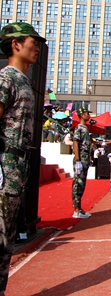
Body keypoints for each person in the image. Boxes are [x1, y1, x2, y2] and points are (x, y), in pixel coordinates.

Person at [0, 22, 45, 295]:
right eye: (33, 41)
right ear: (16, 44)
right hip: (5, 165)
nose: (36, 47)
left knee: (6, 240)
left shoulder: (24, 81)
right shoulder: (7, 78)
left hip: (17, 167)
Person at [72, 106, 93, 218]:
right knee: (78, 184)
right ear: (82, 115)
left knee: (82, 183)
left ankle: (79, 208)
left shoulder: (85, 128)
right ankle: (76, 210)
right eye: (86, 113)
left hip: (85, 159)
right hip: (80, 159)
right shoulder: (79, 128)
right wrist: (77, 160)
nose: (88, 115)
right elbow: (76, 143)